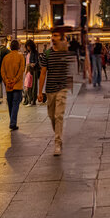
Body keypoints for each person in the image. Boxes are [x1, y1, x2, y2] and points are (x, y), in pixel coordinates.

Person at [37, 28, 73, 157]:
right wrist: (40, 92)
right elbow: (43, 73)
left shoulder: (66, 53)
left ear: (61, 38)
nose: (53, 38)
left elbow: (71, 69)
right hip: (50, 89)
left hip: (61, 88)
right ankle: (58, 134)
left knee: (59, 115)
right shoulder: (47, 54)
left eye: (56, 35)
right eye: (52, 35)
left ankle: (57, 142)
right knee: (52, 116)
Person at [1, 41, 27, 130]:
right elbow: (21, 70)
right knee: (16, 103)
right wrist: (14, 80)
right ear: (18, 47)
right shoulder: (20, 57)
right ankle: (12, 123)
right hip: (17, 85)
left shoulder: (5, 58)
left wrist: (7, 81)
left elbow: (2, 71)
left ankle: (12, 121)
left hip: (8, 86)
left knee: (10, 104)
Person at [24, 40, 41, 105]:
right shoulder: (28, 53)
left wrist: (33, 64)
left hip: (34, 69)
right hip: (29, 69)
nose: (28, 47)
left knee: (34, 85)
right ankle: (28, 99)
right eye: (27, 46)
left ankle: (33, 99)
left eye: (29, 46)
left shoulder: (35, 52)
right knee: (28, 85)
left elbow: (37, 61)